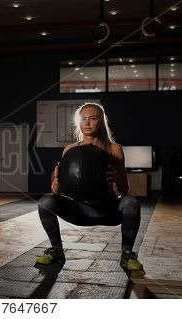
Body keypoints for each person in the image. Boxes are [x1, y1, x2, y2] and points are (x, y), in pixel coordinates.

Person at [36, 102, 143, 271]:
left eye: (92, 118)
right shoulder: (70, 149)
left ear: (101, 122)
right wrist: (57, 179)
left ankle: (127, 254)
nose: (87, 123)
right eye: (83, 119)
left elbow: (125, 191)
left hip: (107, 210)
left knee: (131, 202)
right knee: (45, 201)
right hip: (79, 210)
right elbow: (56, 192)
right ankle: (57, 251)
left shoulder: (114, 149)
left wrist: (116, 177)